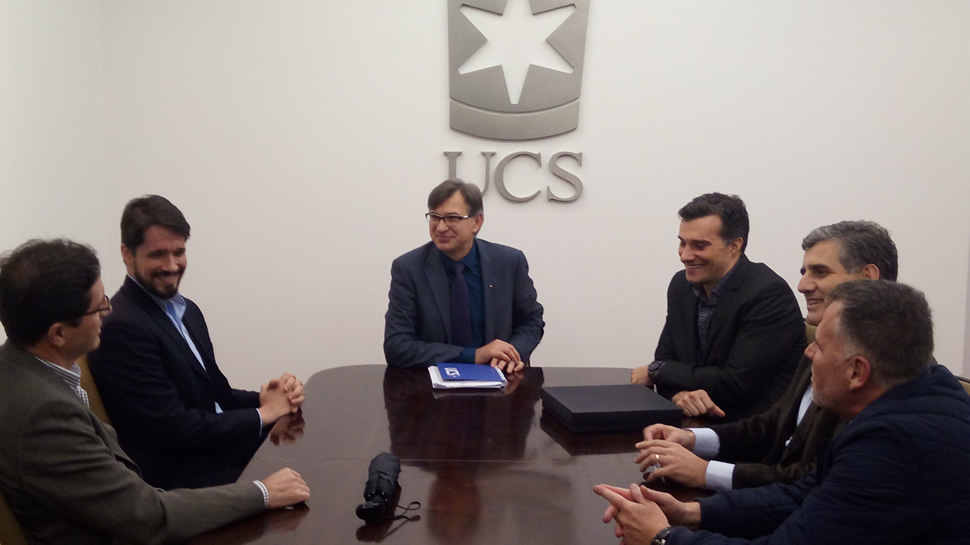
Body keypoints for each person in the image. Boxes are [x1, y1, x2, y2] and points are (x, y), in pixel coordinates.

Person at [596, 280, 970, 544]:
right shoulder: (920, 391)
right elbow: (803, 495)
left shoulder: (891, 447)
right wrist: (690, 513)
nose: (808, 353)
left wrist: (662, 538)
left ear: (857, 372)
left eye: (820, 347)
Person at [0, 239, 310, 545]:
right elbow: (147, 517)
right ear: (58, 334)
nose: (108, 311)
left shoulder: (20, 367)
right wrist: (263, 493)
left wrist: (261, 402)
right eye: (99, 307)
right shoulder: (43, 415)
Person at [635, 221, 895, 490]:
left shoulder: (888, 369)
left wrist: (705, 473)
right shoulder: (822, 344)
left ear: (867, 278)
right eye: (805, 272)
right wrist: (692, 438)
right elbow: (774, 424)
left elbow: (815, 480)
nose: (802, 285)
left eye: (820, 272)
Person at [88, 195, 305, 490]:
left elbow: (217, 395)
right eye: (158, 254)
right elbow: (174, 429)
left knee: (320, 447)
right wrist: (265, 413)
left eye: (179, 252)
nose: (171, 265)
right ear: (127, 253)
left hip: (216, 451)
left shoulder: (187, 311)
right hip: (182, 478)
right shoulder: (121, 327)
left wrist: (274, 398)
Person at [632, 193, 805, 421]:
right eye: (682, 243)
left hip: (750, 430)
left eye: (699, 246)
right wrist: (678, 395)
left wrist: (658, 370)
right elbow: (665, 359)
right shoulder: (680, 286)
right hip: (694, 424)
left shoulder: (768, 294)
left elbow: (735, 385)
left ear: (734, 245)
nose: (685, 255)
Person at [383, 180, 544, 372]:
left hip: (499, 377)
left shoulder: (509, 262)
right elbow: (397, 346)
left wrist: (512, 352)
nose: (441, 227)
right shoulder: (409, 269)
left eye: (452, 218)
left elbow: (531, 320)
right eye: (434, 217)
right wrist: (474, 356)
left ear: (477, 222)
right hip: (429, 384)